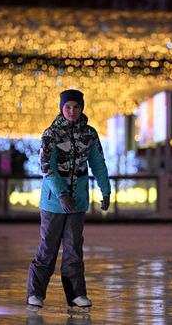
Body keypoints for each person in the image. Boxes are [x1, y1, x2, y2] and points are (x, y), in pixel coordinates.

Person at [27, 89, 111, 313]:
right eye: (67, 107)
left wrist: (106, 190)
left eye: (75, 106)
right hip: (54, 202)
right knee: (48, 247)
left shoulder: (90, 134)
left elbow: (98, 163)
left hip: (78, 201)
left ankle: (76, 295)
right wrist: (61, 194)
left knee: (74, 249)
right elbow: (46, 167)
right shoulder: (51, 134)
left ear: (82, 107)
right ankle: (35, 293)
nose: (71, 111)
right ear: (61, 108)